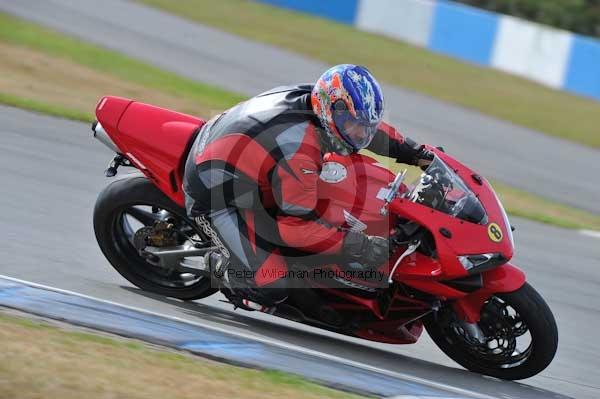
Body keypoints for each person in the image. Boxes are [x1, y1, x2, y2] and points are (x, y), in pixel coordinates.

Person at [183, 64, 433, 309]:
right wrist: (360, 246)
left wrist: (415, 153)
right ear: (331, 109)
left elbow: (368, 129)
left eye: (365, 126)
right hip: (212, 193)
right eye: (354, 125)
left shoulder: (318, 98)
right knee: (272, 285)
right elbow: (294, 230)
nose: (360, 134)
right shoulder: (300, 152)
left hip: (238, 159)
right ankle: (218, 263)